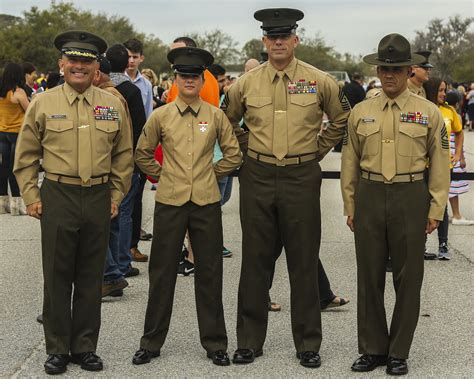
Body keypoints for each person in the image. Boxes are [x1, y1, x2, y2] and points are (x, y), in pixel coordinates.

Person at [224, 8, 349, 368]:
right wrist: (247, 147)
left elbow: (342, 117)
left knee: (303, 261)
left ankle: (308, 342)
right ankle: (249, 341)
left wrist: (317, 149)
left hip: (300, 176)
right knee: (255, 262)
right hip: (258, 176)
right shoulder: (246, 84)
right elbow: (227, 119)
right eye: (271, 37)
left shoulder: (319, 80)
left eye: (284, 36)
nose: (278, 42)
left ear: (295, 40)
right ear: (264, 42)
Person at [13, 30, 133, 375]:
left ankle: (84, 347)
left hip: (98, 196)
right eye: (74, 60)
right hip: (58, 194)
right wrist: (31, 196)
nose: (80, 66)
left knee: (91, 275)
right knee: (57, 274)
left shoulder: (111, 104)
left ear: (97, 66)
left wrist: (115, 196)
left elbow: (124, 154)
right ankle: (57, 349)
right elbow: (26, 155)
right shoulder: (43, 103)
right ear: (61, 63)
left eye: (87, 60)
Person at [341, 33, 450, 375]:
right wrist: (351, 204)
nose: (389, 75)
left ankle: (399, 351)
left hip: (410, 195)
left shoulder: (428, 113)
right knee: (369, 275)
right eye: (384, 69)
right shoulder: (361, 112)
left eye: (397, 69)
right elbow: (349, 161)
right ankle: (373, 349)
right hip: (370, 195)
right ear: (378, 71)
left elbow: (440, 163)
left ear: (408, 71)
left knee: (409, 277)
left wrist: (435, 209)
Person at [132, 46, 241, 366]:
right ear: (175, 78)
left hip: (206, 202)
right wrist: (162, 176)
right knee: (162, 272)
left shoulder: (215, 115)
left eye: (195, 76)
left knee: (210, 272)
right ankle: (150, 342)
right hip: (170, 202)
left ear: (202, 78)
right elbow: (142, 154)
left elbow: (234, 155)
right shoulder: (161, 115)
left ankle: (215, 342)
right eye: (184, 75)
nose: (189, 80)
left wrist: (209, 174)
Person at [166, 36, 221, 275]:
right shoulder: (202, 77)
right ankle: (192, 254)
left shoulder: (200, 81)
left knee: (192, 210)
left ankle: (192, 255)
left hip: (197, 155)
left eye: (176, 53)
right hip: (193, 157)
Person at [106, 43, 149, 272]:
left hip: (103, 160)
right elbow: (141, 128)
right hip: (128, 160)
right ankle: (123, 262)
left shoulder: (98, 89)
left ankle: (111, 262)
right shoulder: (131, 91)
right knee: (124, 210)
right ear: (126, 64)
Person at [124, 37, 154, 264]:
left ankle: (133, 245)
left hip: (140, 145)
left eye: (135, 56)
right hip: (120, 146)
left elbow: (149, 118)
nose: (131, 60)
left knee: (137, 198)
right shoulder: (116, 81)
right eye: (128, 56)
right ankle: (119, 249)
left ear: (141, 58)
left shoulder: (146, 84)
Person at [0, 62, 30, 215]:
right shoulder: (18, 92)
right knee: (14, 168)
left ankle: (2, 202)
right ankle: (16, 204)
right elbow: (29, 111)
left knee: (3, 167)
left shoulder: (2, 93)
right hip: (16, 133)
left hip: (2, 132)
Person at [444, 90, 473, 225]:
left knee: (449, 186)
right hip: (453, 154)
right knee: (454, 186)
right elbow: (458, 139)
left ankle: (452, 214)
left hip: (446, 153)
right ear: (457, 103)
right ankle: (456, 215)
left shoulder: (441, 111)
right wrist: (461, 158)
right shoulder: (455, 115)